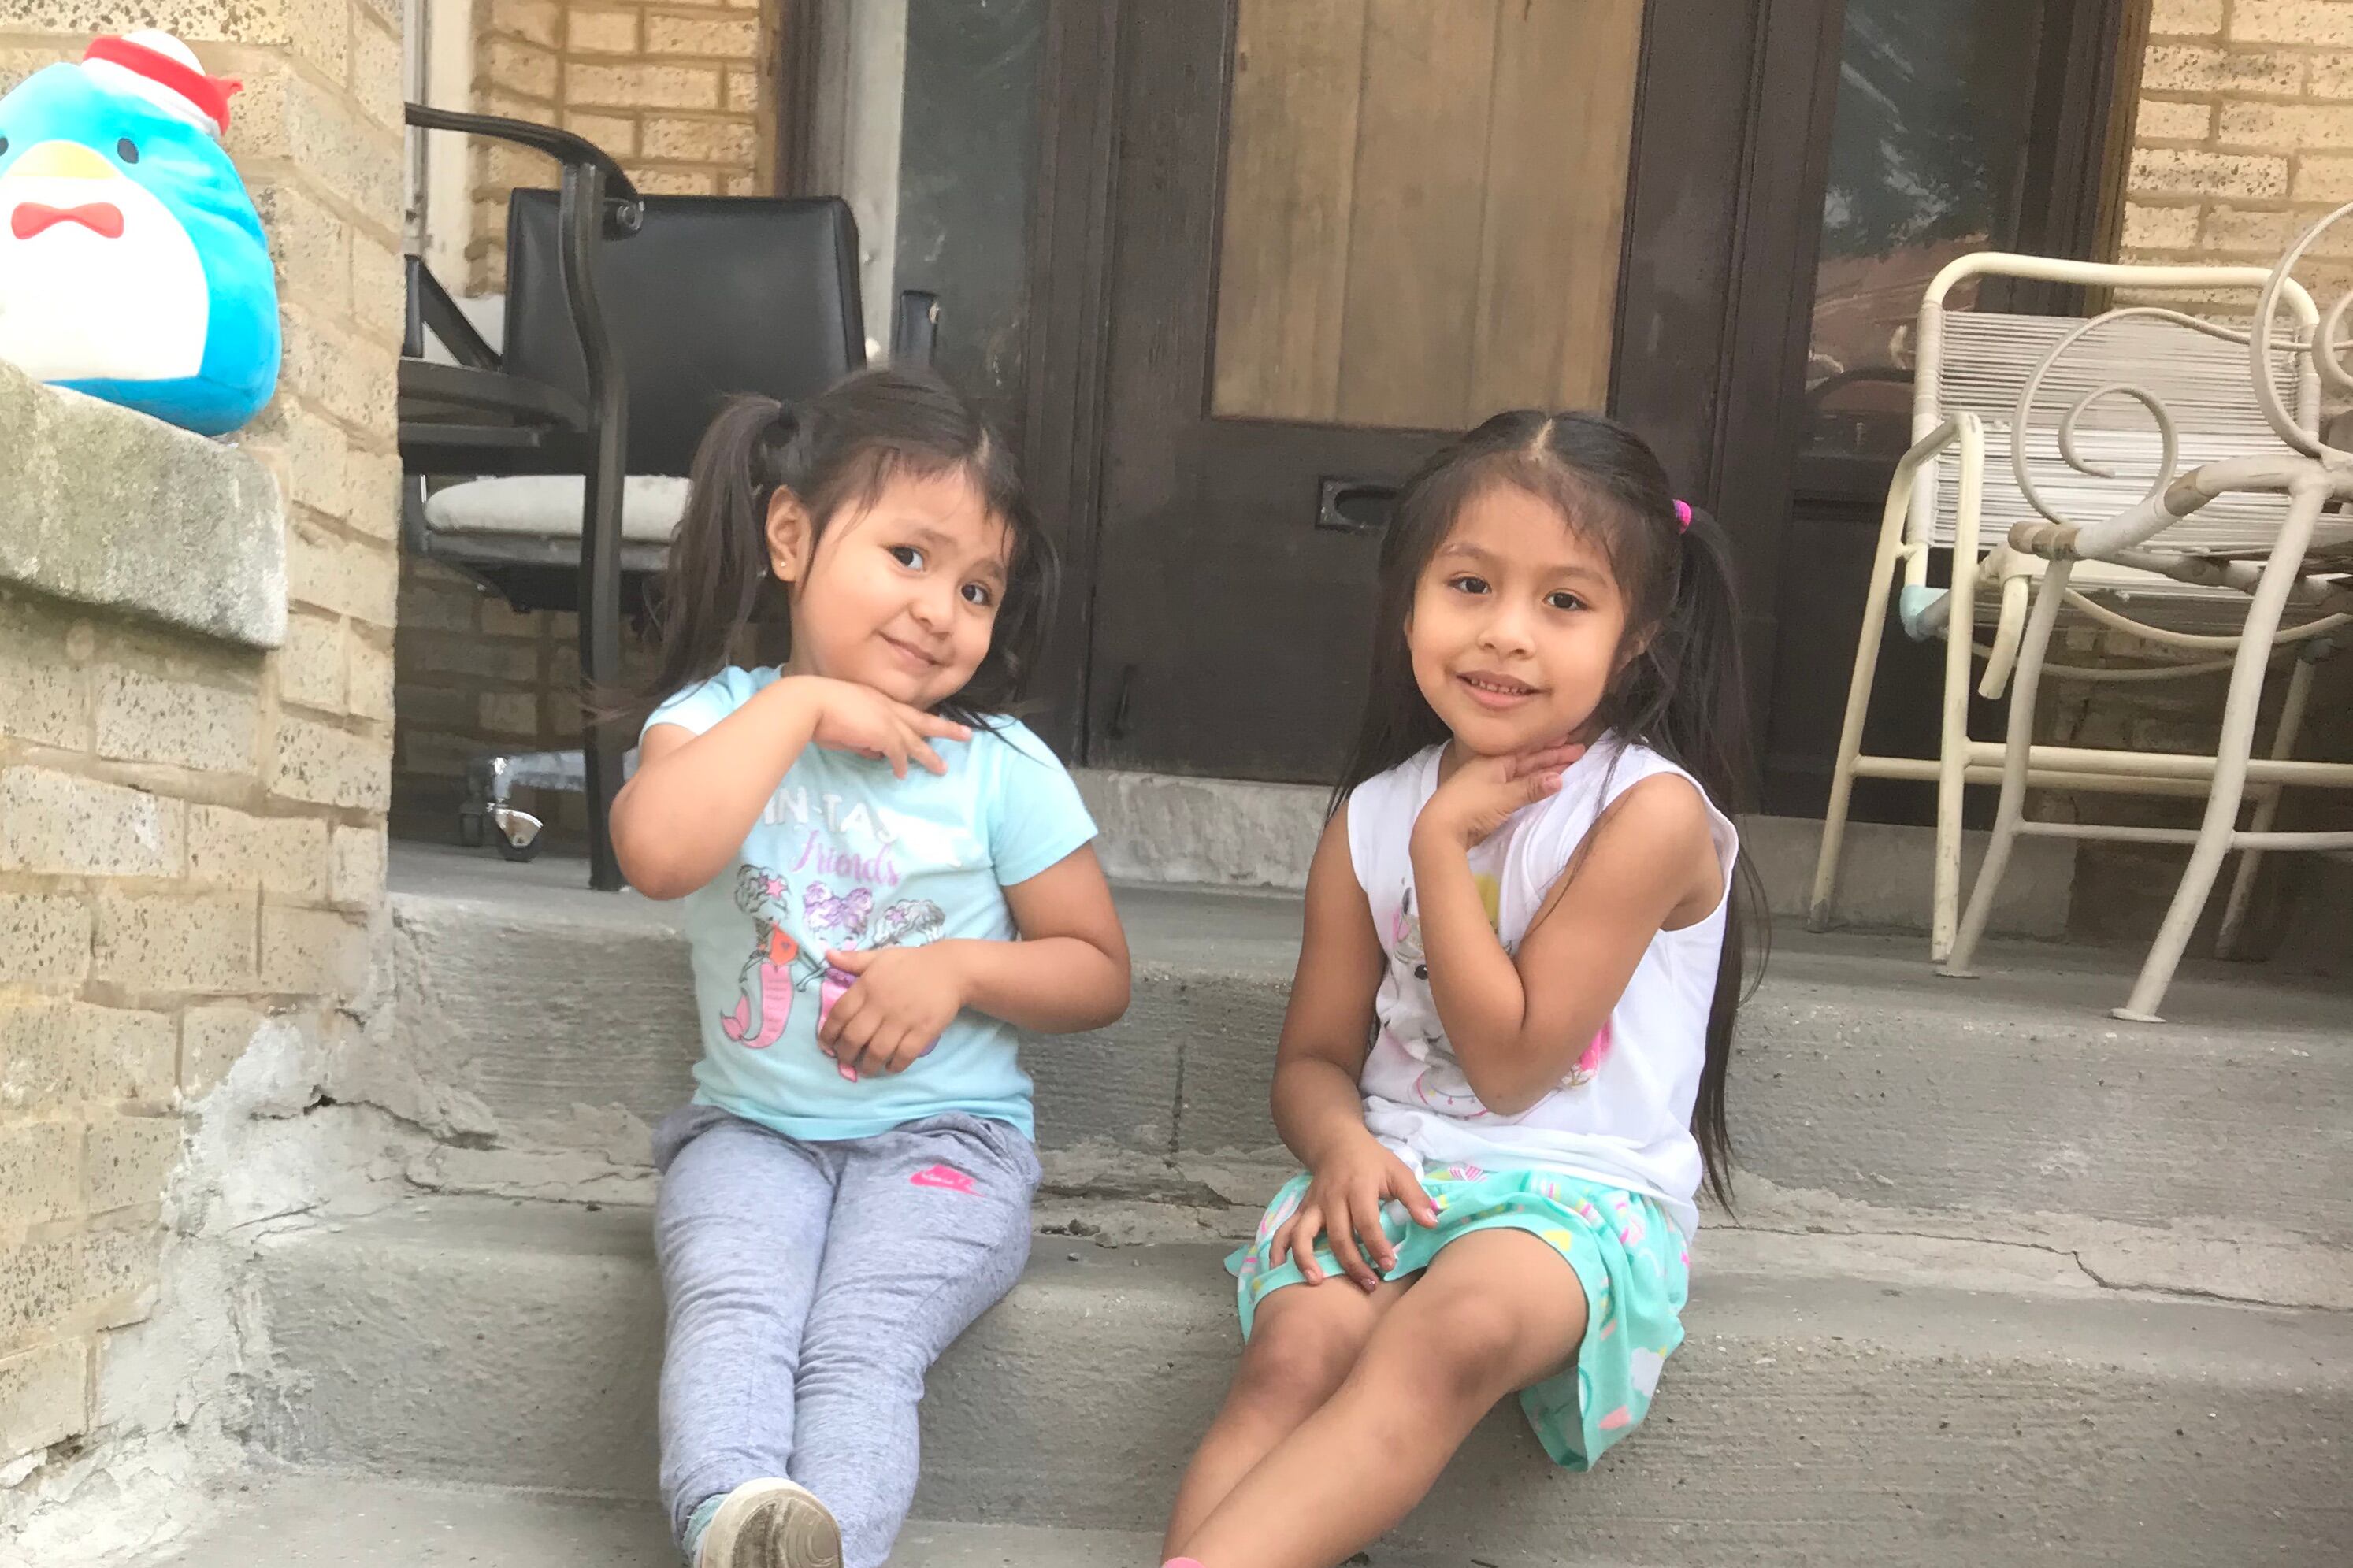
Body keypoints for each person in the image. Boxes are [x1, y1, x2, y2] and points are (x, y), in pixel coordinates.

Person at [1161, 410, 1757, 1568]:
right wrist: (1338, 1146)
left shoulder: (1649, 815)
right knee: (1293, 1357)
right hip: (1394, 1175)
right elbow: (1313, 1060)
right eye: (1471, 585)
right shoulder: (1371, 814)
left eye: (1565, 602)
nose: (1507, 636)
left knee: (1454, 1331)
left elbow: (1514, 1060)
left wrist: (1446, 852)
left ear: (1636, 639)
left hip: (1581, 1197)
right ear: (1411, 601)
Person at [611, 367, 1132, 1568]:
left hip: (950, 1145)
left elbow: (1098, 971)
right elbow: (654, 853)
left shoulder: (997, 767)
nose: (941, 608)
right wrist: (796, 715)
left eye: (977, 587)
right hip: (751, 1134)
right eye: (908, 555)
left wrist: (957, 970)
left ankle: (829, 1551)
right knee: (737, 1310)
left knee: (857, 1342)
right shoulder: (718, 723)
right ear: (790, 536)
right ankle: (734, 1525)